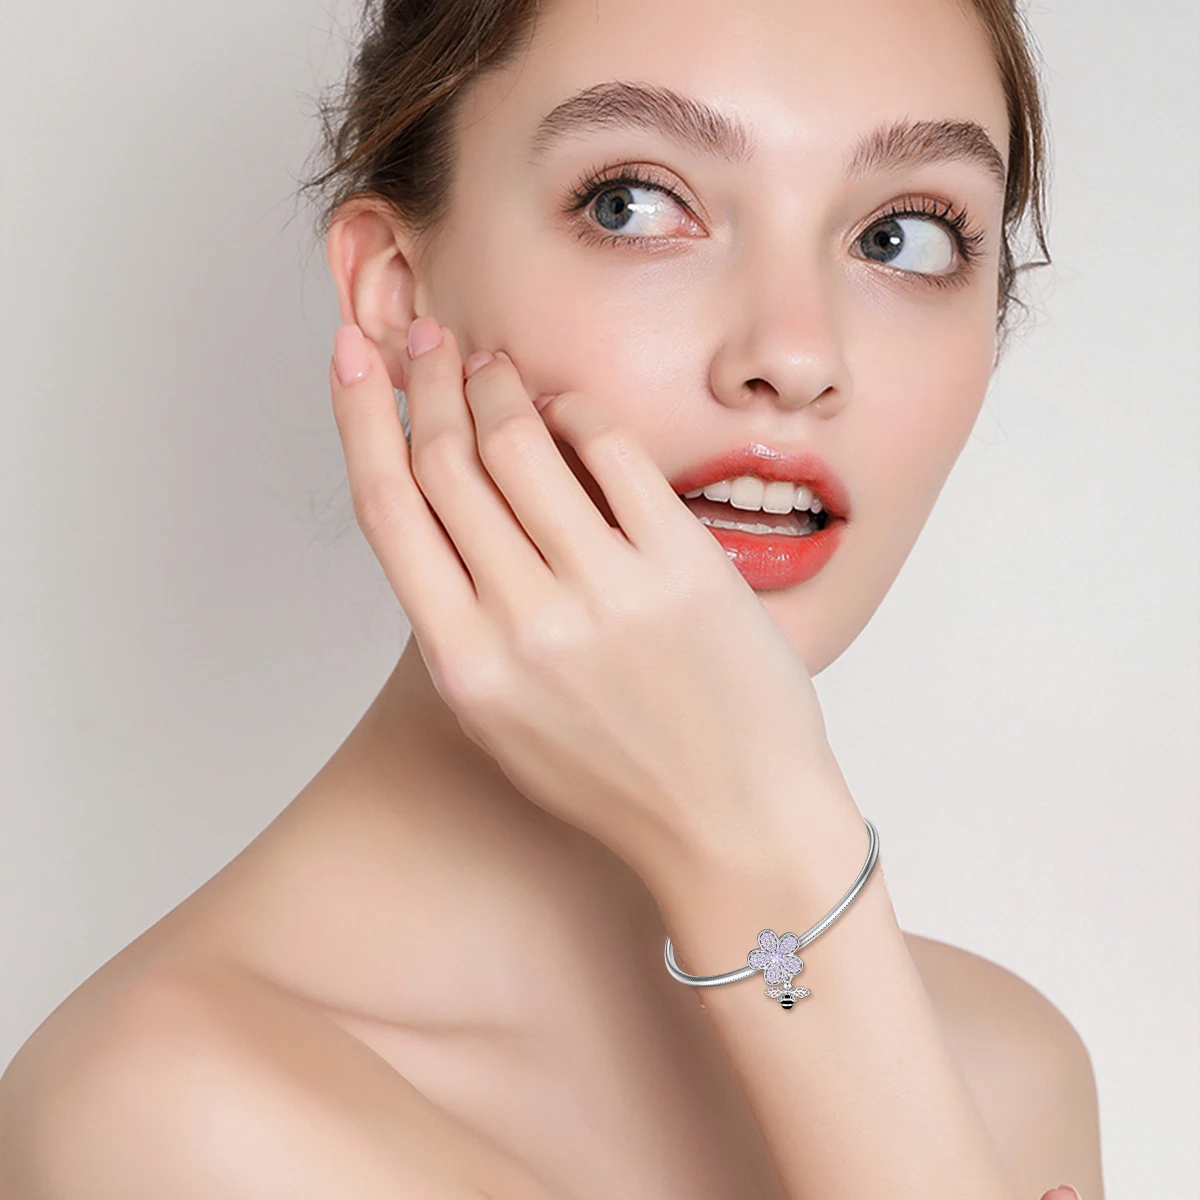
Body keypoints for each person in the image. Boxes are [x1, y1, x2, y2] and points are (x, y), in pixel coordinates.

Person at [0, 0, 1104, 1196]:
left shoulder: (1006, 1074)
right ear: (397, 294)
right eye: (634, 205)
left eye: (904, 236)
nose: (795, 355)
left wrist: (773, 863)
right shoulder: (175, 1121)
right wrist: (767, 851)